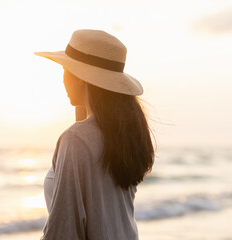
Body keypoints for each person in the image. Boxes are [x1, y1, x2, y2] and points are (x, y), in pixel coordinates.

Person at [34, 29, 156, 240]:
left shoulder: (76, 139)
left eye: (65, 69)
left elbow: (65, 230)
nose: (62, 79)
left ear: (80, 78)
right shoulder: (124, 135)